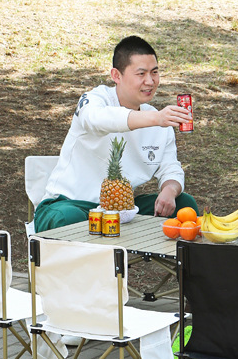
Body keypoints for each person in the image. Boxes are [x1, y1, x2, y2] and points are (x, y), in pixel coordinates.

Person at [34, 36, 198, 232]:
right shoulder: (95, 100)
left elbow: (170, 168)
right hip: (69, 204)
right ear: (116, 75)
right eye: (141, 73)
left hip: (121, 212)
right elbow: (97, 119)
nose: (150, 81)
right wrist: (156, 118)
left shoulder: (158, 120)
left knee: (184, 205)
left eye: (154, 72)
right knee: (70, 220)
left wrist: (169, 190)